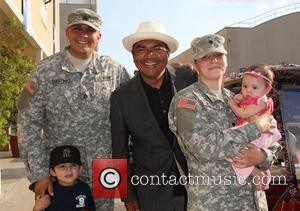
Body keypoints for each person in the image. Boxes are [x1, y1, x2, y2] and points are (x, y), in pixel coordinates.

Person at [17, 8, 130, 210]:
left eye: (90, 30)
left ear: (99, 36)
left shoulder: (115, 71)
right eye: (77, 29)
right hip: (61, 169)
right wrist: (39, 173)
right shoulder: (44, 71)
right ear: (67, 33)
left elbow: (130, 120)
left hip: (103, 168)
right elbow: (28, 123)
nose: (83, 35)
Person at [168, 34, 279, 210]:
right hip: (214, 203)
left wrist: (263, 156)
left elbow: (272, 139)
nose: (213, 60)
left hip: (252, 200)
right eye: (205, 57)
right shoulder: (187, 101)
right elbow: (202, 147)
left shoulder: (241, 99)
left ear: (226, 60)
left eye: (218, 55)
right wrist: (255, 127)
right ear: (196, 64)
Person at [110, 21, 197, 211]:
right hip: (150, 192)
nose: (149, 55)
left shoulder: (187, 79)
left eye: (157, 48)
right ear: (133, 57)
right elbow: (119, 150)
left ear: (168, 54)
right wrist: (127, 194)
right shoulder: (121, 97)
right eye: (141, 50)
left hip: (196, 186)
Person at [228, 64, 282, 190]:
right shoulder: (253, 97)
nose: (248, 90)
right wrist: (239, 97)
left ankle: (255, 173)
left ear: (267, 89)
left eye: (254, 87)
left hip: (258, 134)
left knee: (232, 150)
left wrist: (232, 104)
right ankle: (263, 174)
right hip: (257, 131)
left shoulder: (261, 102)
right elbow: (240, 97)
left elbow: (243, 113)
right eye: (245, 86)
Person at [33, 145, 95, 211]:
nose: (68, 169)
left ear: (80, 169)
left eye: (73, 165)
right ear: (53, 172)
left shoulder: (84, 188)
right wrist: (36, 208)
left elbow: (90, 208)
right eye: (62, 166)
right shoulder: (48, 191)